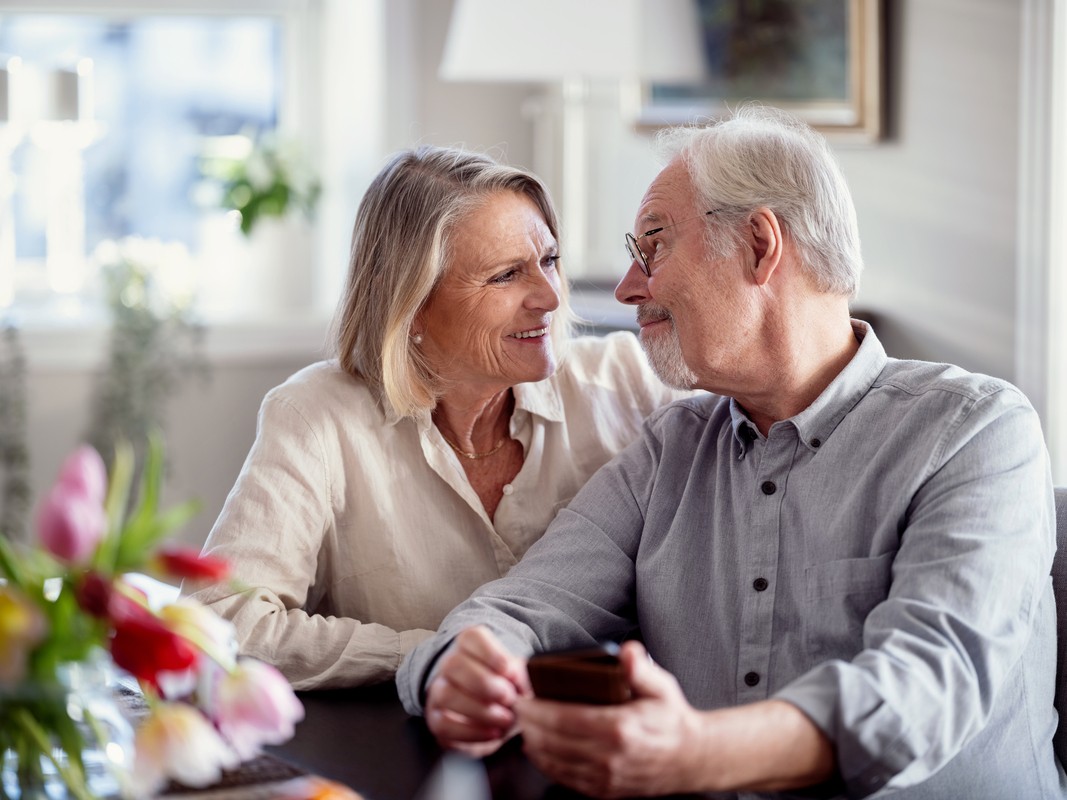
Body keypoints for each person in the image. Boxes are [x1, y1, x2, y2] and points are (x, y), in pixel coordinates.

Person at [396, 107, 1061, 799]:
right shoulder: (668, 451)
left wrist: (698, 753)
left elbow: (925, 688)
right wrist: (458, 668)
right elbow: (520, 607)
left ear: (758, 244)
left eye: (652, 245)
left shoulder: (975, 430)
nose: (627, 288)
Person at [186, 146, 688, 690]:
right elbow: (220, 625)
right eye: (504, 276)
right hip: (408, 744)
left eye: (549, 261)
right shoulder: (316, 416)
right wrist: (435, 656)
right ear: (412, 303)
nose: (548, 296)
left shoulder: (626, 381)